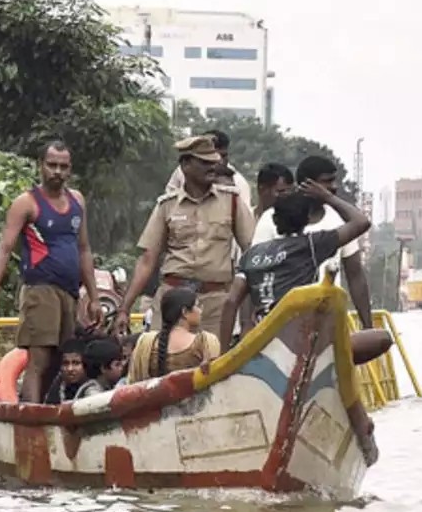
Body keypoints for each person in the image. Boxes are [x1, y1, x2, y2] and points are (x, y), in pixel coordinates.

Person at [0, 141, 101, 403]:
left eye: (63, 166)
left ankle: (51, 411)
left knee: (63, 360)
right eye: (52, 165)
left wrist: (94, 297)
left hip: (70, 292)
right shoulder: (27, 203)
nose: (57, 171)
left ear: (70, 169)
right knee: (39, 359)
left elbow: (84, 249)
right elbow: (4, 248)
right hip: (40, 289)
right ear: (40, 166)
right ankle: (30, 415)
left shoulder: (78, 201)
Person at [218, 181, 392, 364]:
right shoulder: (311, 245)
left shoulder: (251, 255)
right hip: (302, 342)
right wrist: (328, 197)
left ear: (275, 219)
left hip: (262, 342)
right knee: (382, 338)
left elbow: (231, 302)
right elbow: (361, 222)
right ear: (307, 219)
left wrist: (223, 356)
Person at [115, 135, 256, 337]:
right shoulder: (167, 205)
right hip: (172, 299)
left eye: (214, 162)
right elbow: (147, 260)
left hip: (215, 304)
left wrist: (249, 308)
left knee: (213, 362)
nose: (212, 167)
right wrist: (124, 309)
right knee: (162, 359)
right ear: (185, 165)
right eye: (204, 162)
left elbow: (251, 253)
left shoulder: (231, 201)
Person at [253, 156, 375, 329]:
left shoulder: (339, 220)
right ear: (306, 185)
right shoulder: (273, 218)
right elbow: (254, 277)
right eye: (327, 182)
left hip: (328, 324)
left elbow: (355, 275)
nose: (334, 187)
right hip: (281, 325)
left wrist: (368, 326)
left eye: (335, 180)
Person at [127, 287, 221, 383]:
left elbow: (133, 383)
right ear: (184, 312)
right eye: (197, 306)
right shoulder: (206, 341)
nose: (200, 311)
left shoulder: (146, 342)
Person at [165, 129, 253, 208]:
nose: (219, 161)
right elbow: (169, 202)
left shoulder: (239, 183)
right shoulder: (183, 171)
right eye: (207, 160)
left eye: (223, 156)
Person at [44, 339, 88, 404]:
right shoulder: (57, 388)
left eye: (76, 363)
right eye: (65, 363)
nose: (70, 369)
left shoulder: (94, 389)